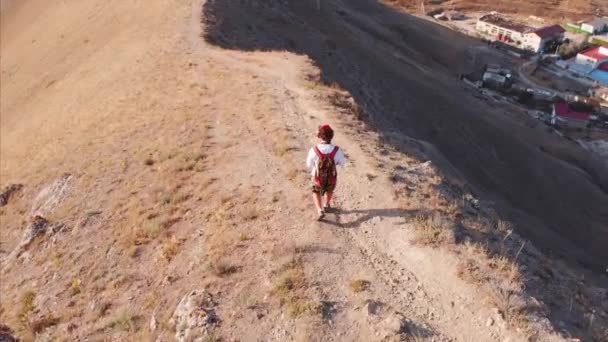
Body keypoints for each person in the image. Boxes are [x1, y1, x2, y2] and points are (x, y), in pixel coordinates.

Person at [306, 124, 346, 220]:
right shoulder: (337, 150)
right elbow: (343, 163)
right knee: (329, 190)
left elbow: (309, 164)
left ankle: (320, 210)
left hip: (318, 177)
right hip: (331, 177)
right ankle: (327, 204)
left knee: (316, 191)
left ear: (320, 136)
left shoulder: (314, 150)